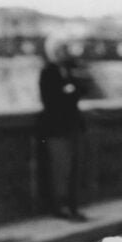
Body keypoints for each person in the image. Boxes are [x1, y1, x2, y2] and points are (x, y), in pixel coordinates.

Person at [38, 33, 87, 221]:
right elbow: (51, 100)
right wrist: (69, 92)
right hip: (57, 128)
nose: (65, 52)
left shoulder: (69, 70)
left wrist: (69, 92)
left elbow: (80, 91)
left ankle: (72, 206)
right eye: (62, 49)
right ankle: (60, 207)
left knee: (74, 169)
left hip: (72, 127)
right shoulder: (48, 72)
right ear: (54, 52)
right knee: (60, 169)